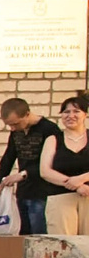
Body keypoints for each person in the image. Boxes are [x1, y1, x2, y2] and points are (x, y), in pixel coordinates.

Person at [0, 97, 60, 235]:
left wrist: (23, 174)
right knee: (23, 234)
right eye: (9, 125)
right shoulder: (16, 131)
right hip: (23, 192)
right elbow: (8, 157)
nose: (13, 128)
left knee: (38, 235)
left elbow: (53, 162)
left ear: (27, 114)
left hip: (42, 191)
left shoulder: (49, 129)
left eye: (16, 124)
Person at [37, 92, 89, 237]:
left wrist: (81, 179)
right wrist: (75, 185)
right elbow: (45, 171)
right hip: (60, 198)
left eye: (76, 111)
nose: (70, 115)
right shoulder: (53, 139)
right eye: (66, 112)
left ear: (85, 115)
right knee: (63, 244)